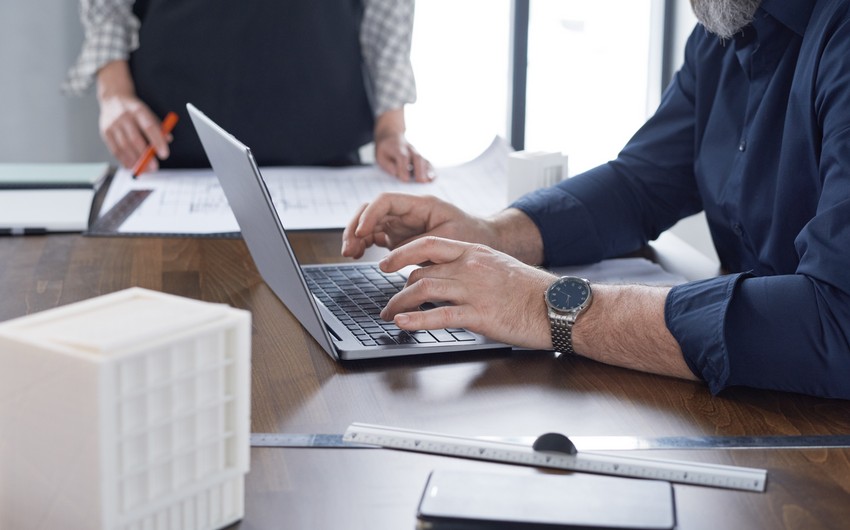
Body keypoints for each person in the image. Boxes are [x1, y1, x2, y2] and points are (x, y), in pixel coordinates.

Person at [341, 0, 850, 400]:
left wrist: (548, 306)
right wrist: (495, 234)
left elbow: (835, 322)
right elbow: (644, 182)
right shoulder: (727, 25)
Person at [64, 0, 434, 182]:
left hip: (325, 157)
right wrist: (113, 92)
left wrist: (391, 127)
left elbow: (389, 9)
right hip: (171, 149)